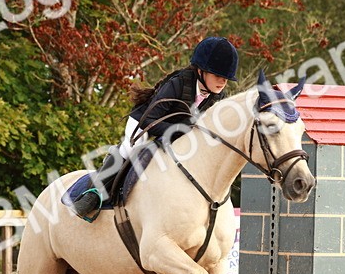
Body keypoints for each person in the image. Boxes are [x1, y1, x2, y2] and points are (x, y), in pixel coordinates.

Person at [69, 36, 239, 219]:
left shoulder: (218, 97)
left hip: (178, 133)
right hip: (145, 122)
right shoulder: (178, 83)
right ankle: (93, 194)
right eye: (218, 76)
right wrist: (183, 132)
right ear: (201, 71)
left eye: (226, 78)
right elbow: (149, 121)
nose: (222, 82)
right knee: (131, 149)